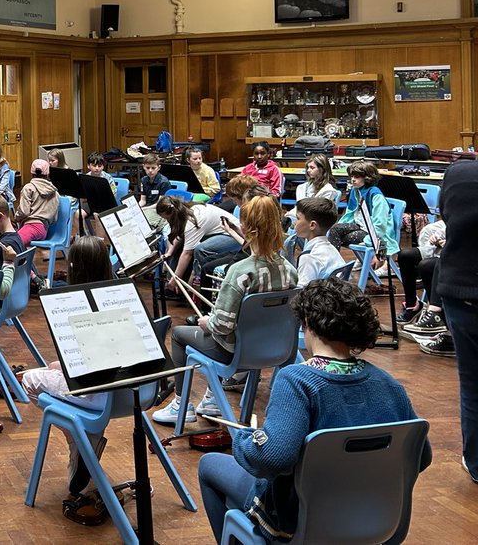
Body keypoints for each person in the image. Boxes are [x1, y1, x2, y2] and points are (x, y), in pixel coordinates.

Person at [197, 277, 432, 541]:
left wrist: (243, 440)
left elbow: (273, 459)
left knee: (209, 465)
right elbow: (421, 457)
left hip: (301, 523)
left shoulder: (297, 381)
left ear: (307, 324)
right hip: (377, 520)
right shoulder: (389, 385)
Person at [153, 196, 297, 426]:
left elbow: (221, 326)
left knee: (180, 334)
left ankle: (181, 404)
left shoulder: (240, 271)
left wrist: (207, 322)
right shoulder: (290, 270)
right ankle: (210, 399)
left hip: (237, 352)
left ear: (247, 228)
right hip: (275, 348)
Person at [20, 236, 116, 519]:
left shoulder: (74, 303)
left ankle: (79, 439)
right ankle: (83, 440)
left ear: (73, 265)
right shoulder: (120, 295)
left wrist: (61, 368)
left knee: (29, 380)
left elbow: (79, 365)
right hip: (127, 395)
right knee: (52, 367)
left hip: (94, 394)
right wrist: (61, 366)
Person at [436, 160, 478, 483]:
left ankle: (476, 462)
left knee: (471, 381)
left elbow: (445, 217)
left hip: (458, 288)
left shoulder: (457, 172)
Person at [155, 195, 241, 290]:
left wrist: (176, 279)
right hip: (218, 232)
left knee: (201, 249)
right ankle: (175, 286)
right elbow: (181, 236)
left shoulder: (192, 221)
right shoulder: (186, 210)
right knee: (182, 246)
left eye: (167, 218)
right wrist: (169, 253)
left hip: (233, 235)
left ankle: (200, 281)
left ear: (173, 214)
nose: (167, 221)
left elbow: (187, 254)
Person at [283, 154, 338, 259]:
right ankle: (287, 258)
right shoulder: (303, 187)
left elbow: (315, 211)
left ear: (322, 169)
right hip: (302, 219)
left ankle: (286, 259)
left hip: (318, 223)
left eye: (312, 168)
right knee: (289, 221)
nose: (308, 170)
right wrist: (293, 212)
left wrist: (295, 214)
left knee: (292, 226)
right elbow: (299, 206)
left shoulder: (328, 190)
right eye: (308, 168)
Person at [339, 160, 397, 259]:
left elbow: (380, 225)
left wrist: (369, 240)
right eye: (352, 176)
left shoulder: (376, 195)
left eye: (356, 177)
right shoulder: (355, 191)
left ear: (367, 178)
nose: (352, 180)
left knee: (340, 237)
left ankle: (364, 260)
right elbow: (350, 214)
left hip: (373, 233)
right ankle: (334, 264)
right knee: (334, 230)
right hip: (360, 225)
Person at [399, 218, 446, 326]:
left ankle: (437, 314)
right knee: (405, 256)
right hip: (441, 248)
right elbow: (448, 224)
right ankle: (413, 305)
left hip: (460, 255)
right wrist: (436, 236)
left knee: (426, 266)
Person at [292, 196, 347, 287]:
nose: (295, 223)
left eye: (298, 218)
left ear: (312, 225)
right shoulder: (332, 249)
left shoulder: (309, 257)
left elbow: (302, 292)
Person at [15, 160, 60, 249]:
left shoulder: (28, 188)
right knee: (13, 240)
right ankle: (27, 262)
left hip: (31, 227)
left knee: (12, 243)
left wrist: (16, 217)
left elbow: (24, 212)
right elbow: (54, 218)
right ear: (47, 174)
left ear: (32, 173)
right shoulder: (55, 192)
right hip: (43, 229)